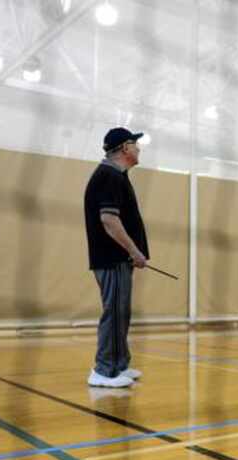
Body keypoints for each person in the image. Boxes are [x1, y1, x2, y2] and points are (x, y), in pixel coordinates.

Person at [83, 127, 150, 387]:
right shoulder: (109, 175)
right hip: (112, 258)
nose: (139, 148)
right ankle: (104, 370)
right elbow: (109, 220)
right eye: (135, 144)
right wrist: (133, 251)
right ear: (124, 148)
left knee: (122, 312)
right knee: (114, 312)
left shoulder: (117, 175)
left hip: (118, 259)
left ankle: (119, 365)